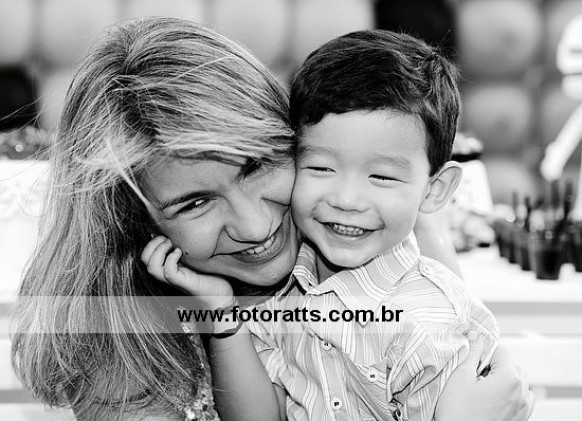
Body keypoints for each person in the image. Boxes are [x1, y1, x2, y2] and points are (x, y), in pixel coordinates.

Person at [11, 17, 533, 421]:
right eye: (194, 203)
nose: (256, 227)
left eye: (258, 165)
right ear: (137, 222)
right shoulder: (120, 349)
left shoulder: (372, 247)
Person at [148, 29, 500, 421]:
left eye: (382, 177)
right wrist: (221, 312)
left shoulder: (429, 320)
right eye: (320, 168)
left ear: (435, 190)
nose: (346, 200)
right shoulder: (287, 290)